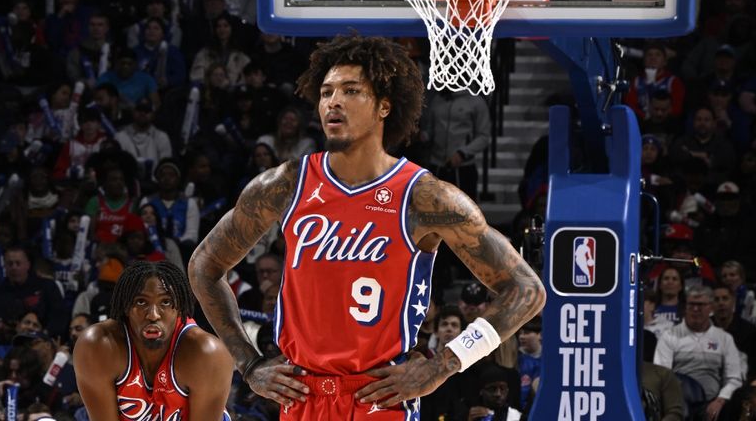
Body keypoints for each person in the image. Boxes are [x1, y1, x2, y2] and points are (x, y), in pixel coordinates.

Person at [188, 35, 545, 418]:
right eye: (325, 92)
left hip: (381, 397)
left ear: (384, 106)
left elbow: (526, 290)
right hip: (301, 395)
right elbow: (204, 267)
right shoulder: (284, 185)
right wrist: (249, 363)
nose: (333, 102)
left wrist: (444, 364)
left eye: (351, 90)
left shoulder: (424, 198)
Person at [73, 260, 232, 420]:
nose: (153, 315)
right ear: (126, 307)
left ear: (180, 308)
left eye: (166, 302)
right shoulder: (97, 346)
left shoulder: (207, 354)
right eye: (141, 302)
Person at [654, 285, 742, 420]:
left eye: (700, 305)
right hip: (679, 400)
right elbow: (662, 375)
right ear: (685, 308)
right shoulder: (669, 336)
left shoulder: (724, 338)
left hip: (714, 402)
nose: (695, 309)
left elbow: (734, 378)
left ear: (711, 308)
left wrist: (720, 400)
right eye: (691, 305)